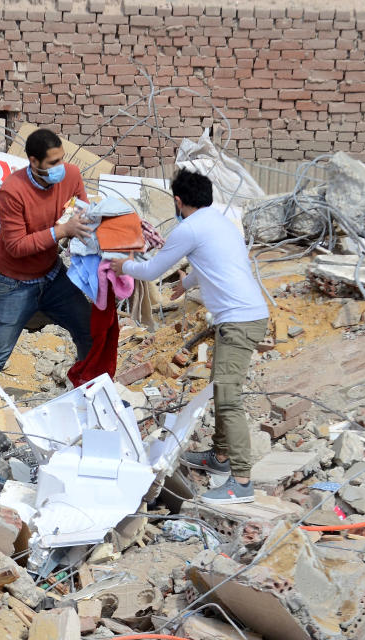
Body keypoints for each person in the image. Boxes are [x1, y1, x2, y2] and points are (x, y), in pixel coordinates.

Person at [111, 169, 270, 505]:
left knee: (228, 398)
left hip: (238, 320)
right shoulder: (221, 223)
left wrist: (123, 266)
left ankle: (241, 482)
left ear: (179, 201)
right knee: (220, 385)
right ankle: (219, 457)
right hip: (247, 316)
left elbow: (151, 270)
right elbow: (212, 266)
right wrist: (182, 285)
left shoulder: (189, 228)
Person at [0, 128, 94, 419]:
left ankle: (84, 403)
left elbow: (82, 213)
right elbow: (15, 246)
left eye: (61, 159)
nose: (59, 168)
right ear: (33, 161)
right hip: (12, 283)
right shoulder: (13, 191)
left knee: (88, 332)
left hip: (51, 276)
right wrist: (62, 230)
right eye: (52, 163)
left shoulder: (71, 175)